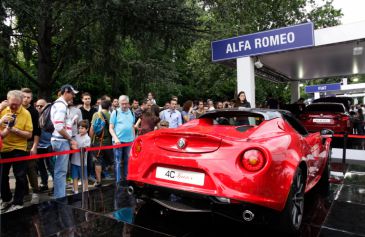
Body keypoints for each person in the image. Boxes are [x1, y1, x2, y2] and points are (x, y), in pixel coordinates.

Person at [0, 90, 33, 212]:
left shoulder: (26, 113)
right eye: (11, 103)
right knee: (3, 176)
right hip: (4, 147)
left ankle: (18, 201)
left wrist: (14, 130)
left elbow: (29, 135)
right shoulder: (3, 109)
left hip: (19, 147)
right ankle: (6, 199)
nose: (13, 106)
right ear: (7, 100)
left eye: (16, 104)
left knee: (20, 175)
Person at [50, 84, 78, 198]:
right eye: (72, 94)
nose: (73, 96)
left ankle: (60, 194)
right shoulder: (61, 106)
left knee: (60, 170)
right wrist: (70, 139)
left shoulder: (60, 105)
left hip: (59, 140)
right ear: (66, 92)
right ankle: (60, 196)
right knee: (61, 171)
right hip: (61, 140)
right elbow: (58, 126)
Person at [21, 88, 42, 204]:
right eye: (24, 96)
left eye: (28, 97)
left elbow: (37, 131)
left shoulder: (33, 111)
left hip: (29, 142)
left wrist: (34, 146)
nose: (26, 99)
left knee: (31, 168)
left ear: (31, 98)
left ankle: (35, 191)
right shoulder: (15, 109)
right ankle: (24, 192)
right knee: (19, 170)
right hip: (16, 143)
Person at [109, 95, 135, 183]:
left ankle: (127, 179)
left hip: (129, 141)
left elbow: (132, 127)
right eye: (122, 104)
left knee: (128, 161)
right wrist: (116, 139)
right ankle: (118, 181)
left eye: (126, 104)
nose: (124, 106)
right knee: (118, 162)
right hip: (118, 142)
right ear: (119, 104)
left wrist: (134, 139)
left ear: (129, 104)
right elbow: (111, 128)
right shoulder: (115, 112)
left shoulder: (132, 112)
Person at [89, 99, 113, 187]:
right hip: (109, 142)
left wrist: (90, 140)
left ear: (100, 106)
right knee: (111, 161)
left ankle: (98, 181)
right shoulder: (112, 115)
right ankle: (114, 177)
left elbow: (92, 129)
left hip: (97, 142)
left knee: (97, 161)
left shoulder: (96, 114)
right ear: (109, 107)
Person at [35, 98, 54, 193]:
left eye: (41, 106)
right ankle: (44, 184)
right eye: (37, 106)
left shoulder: (50, 114)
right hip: (38, 145)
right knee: (41, 167)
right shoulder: (34, 115)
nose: (39, 107)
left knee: (51, 166)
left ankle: (56, 185)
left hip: (49, 144)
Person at [71, 120, 91, 194]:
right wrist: (73, 146)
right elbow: (72, 143)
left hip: (83, 162)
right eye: (79, 128)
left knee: (84, 177)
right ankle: (76, 191)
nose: (80, 130)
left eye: (82, 128)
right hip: (74, 161)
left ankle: (85, 190)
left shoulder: (87, 138)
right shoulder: (76, 136)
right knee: (74, 177)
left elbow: (86, 148)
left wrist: (75, 147)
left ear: (87, 129)